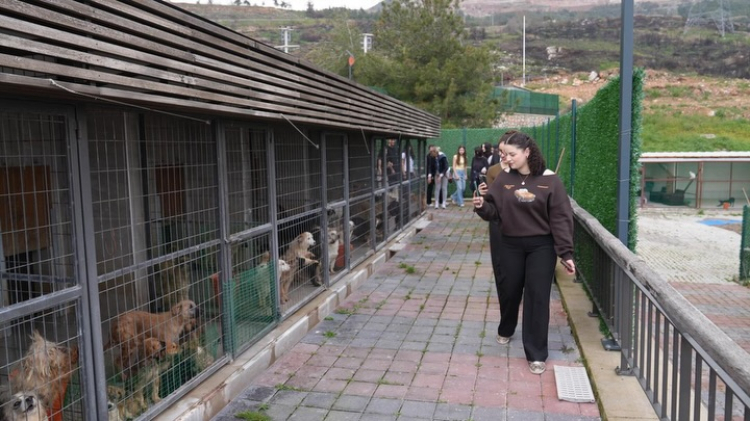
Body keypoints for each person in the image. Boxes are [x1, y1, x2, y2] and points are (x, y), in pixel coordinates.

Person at [472, 131, 575, 375]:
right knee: (509, 290)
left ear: (527, 152)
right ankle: (507, 327)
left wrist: (566, 253)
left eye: (512, 154)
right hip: (510, 244)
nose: (506, 159)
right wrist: (482, 206)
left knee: (537, 296)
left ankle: (536, 353)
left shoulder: (550, 180)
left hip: (542, 247)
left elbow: (561, 218)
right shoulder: (504, 178)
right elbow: (494, 212)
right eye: (504, 154)